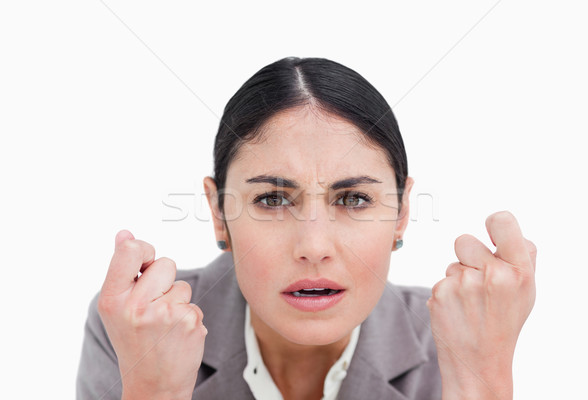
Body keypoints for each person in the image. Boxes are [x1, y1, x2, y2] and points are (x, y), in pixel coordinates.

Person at [76, 56, 537, 400]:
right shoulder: (135, 331)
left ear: (400, 213)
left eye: (353, 199)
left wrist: (483, 380)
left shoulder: (462, 341)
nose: (314, 247)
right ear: (219, 213)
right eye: (272, 199)